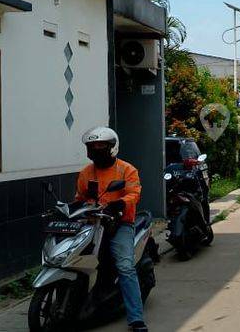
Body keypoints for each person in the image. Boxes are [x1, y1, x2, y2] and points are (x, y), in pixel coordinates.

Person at [75, 127, 148, 332]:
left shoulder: (126, 170)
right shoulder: (86, 172)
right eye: (92, 147)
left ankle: (136, 319)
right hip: (92, 224)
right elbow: (79, 198)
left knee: (125, 267)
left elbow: (134, 193)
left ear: (112, 148)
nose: (96, 150)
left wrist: (121, 203)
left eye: (101, 146)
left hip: (119, 224)